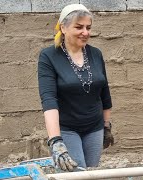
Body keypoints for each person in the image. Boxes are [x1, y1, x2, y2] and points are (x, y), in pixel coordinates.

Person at [38, 4, 114, 171]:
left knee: (92, 171)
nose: (85, 32)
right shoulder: (49, 56)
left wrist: (106, 126)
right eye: (79, 27)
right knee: (76, 173)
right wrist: (55, 140)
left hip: (94, 128)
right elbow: (49, 99)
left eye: (88, 27)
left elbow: (104, 93)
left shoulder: (95, 54)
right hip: (67, 129)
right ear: (63, 28)